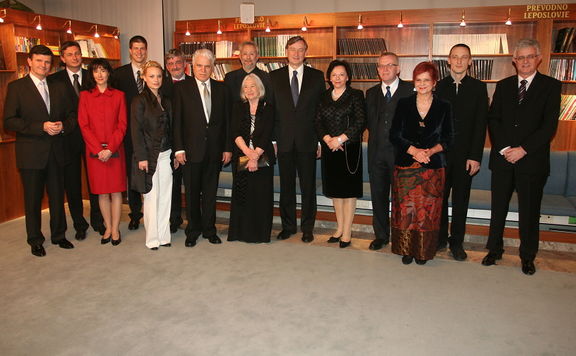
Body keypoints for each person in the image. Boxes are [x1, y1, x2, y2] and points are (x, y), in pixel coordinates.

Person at [482, 39, 561, 275]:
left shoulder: (551, 86)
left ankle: (527, 256)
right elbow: (493, 119)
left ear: (538, 59)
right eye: (520, 57)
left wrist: (523, 149)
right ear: (514, 61)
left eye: (530, 57)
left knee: (529, 212)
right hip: (503, 159)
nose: (525, 61)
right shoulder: (504, 85)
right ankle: (494, 250)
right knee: (498, 209)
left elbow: (548, 127)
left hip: (532, 161)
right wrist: (505, 149)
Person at [3, 44, 76, 257]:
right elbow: (9, 121)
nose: (43, 65)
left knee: (56, 197)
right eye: (39, 61)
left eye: (47, 62)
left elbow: (72, 115)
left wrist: (64, 125)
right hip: (31, 154)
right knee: (33, 200)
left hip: (56, 151)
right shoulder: (17, 87)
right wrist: (40, 127)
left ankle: (59, 235)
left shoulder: (59, 87)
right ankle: (35, 239)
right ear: (29, 62)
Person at [389, 61, 454, 265]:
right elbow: (394, 134)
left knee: (427, 213)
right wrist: (414, 151)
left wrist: (430, 151)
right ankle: (407, 249)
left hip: (433, 168)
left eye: (427, 80)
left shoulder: (444, 106)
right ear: (414, 82)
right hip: (406, 166)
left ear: (434, 82)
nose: (423, 83)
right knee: (406, 212)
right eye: (419, 80)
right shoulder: (404, 103)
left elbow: (449, 138)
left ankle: (423, 252)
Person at [173, 48, 232, 247]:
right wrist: (179, 149)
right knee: (191, 194)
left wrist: (227, 148)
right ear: (192, 66)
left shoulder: (221, 89)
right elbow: (177, 122)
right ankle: (193, 231)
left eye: (207, 66)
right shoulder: (181, 89)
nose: (203, 70)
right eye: (199, 66)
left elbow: (226, 122)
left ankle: (209, 229)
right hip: (190, 152)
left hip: (215, 151)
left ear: (212, 68)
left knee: (209, 193)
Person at [269, 36, 325, 243]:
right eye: (293, 49)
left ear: (305, 52)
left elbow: (321, 112)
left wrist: (320, 141)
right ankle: (288, 226)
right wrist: (273, 141)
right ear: (286, 51)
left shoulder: (317, 77)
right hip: (282, 141)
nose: (296, 53)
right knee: (286, 187)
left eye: (301, 49)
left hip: (308, 141)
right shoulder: (273, 77)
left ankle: (308, 227)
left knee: (308, 187)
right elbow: (271, 111)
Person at [436, 44, 489, 261]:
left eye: (463, 57)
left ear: (470, 61)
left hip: (466, 156)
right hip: (440, 155)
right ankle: (439, 239)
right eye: (455, 57)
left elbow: (480, 125)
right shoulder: (438, 86)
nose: (459, 61)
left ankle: (456, 243)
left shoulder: (478, 87)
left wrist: (475, 156)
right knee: (438, 200)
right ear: (448, 60)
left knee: (461, 201)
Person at [48, 41, 105, 240]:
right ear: (62, 58)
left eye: (77, 53)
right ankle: (80, 223)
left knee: (96, 182)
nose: (75, 57)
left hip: (95, 139)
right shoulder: (53, 80)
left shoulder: (93, 77)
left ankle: (98, 220)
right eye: (70, 54)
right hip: (68, 139)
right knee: (72, 184)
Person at [365, 52, 414, 251]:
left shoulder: (410, 91)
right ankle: (381, 235)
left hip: (401, 155)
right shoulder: (370, 93)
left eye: (390, 65)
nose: (385, 69)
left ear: (398, 69)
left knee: (403, 199)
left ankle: (403, 237)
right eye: (381, 66)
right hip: (376, 154)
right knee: (378, 196)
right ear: (377, 70)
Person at [315, 60, 365, 248]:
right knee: (336, 192)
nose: (338, 78)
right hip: (330, 149)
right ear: (329, 77)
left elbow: (361, 122)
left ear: (348, 77)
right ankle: (339, 228)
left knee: (348, 192)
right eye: (334, 75)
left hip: (349, 150)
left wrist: (340, 139)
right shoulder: (323, 96)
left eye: (342, 74)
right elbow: (317, 121)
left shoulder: (356, 95)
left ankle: (347, 232)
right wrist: (328, 139)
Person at [78, 58, 127, 246]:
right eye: (96, 71)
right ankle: (107, 227)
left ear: (108, 73)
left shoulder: (119, 95)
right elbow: (84, 125)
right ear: (91, 74)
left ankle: (115, 229)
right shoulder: (85, 96)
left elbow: (122, 125)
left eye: (103, 70)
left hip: (115, 151)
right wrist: (99, 150)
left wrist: (110, 148)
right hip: (94, 152)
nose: (100, 74)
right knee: (101, 193)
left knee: (115, 192)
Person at [228, 74, 275, 243]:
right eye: (245, 87)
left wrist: (255, 156)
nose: (249, 90)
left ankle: (260, 234)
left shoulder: (268, 107)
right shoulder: (237, 107)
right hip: (242, 155)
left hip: (263, 157)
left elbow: (267, 133)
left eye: (252, 86)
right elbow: (235, 132)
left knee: (260, 196)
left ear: (259, 88)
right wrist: (248, 153)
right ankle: (241, 233)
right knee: (243, 195)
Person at [131, 61, 173, 250]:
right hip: (148, 156)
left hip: (166, 155)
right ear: (144, 77)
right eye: (151, 76)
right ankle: (152, 238)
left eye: (158, 76)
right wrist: (141, 157)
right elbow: (136, 131)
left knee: (166, 197)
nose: (156, 80)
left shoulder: (166, 100)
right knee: (151, 198)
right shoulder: (139, 100)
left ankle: (164, 236)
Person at [111, 35, 148, 231]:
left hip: (151, 134)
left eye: (142, 48)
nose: (139, 52)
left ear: (146, 50)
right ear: (130, 51)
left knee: (150, 174)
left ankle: (152, 213)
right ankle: (135, 214)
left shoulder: (153, 72)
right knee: (132, 175)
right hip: (127, 134)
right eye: (136, 48)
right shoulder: (119, 75)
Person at [160, 49, 190, 234]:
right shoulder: (161, 87)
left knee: (193, 185)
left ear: (185, 64)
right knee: (172, 184)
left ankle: (194, 220)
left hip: (192, 143)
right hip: (169, 144)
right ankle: (174, 218)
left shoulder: (194, 83)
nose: (174, 67)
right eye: (170, 64)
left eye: (178, 62)